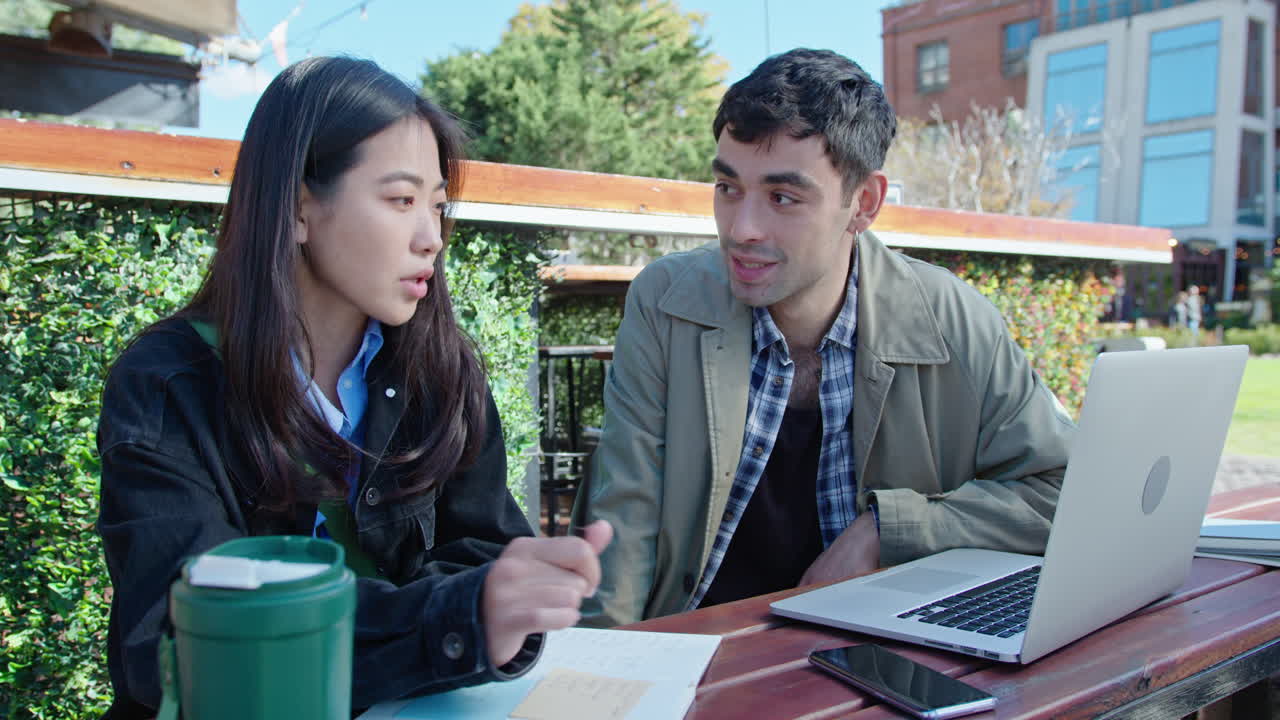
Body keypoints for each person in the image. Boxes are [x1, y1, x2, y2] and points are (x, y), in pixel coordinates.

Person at [96, 57, 611, 718]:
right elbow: (180, 643)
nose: (431, 238)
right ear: (299, 206)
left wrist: (499, 605)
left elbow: (482, 550)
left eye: (437, 206)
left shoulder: (443, 370)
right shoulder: (168, 384)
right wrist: (454, 616)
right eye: (400, 200)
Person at [572, 48, 1074, 627]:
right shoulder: (665, 302)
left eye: (783, 197)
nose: (741, 229)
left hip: (882, 652)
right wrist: (607, 671)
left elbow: (1065, 493)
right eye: (728, 188)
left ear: (863, 204)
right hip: (699, 646)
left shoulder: (953, 320)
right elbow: (625, 514)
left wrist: (892, 529)